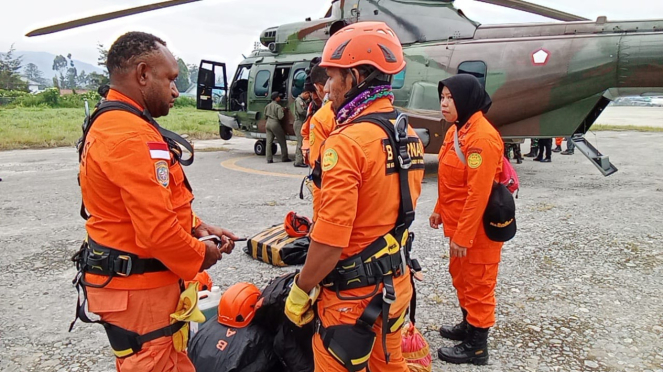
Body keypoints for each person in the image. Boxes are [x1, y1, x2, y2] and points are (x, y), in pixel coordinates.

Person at [75, 31, 238, 372]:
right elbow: (158, 232)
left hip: (147, 292)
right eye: (171, 79)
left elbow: (154, 204)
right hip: (141, 297)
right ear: (143, 74)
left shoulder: (118, 123)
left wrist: (199, 228)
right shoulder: (130, 135)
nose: (176, 91)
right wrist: (201, 255)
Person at [284, 21, 425, 372]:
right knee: (389, 365)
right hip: (395, 285)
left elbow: (331, 242)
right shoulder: (407, 135)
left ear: (356, 76)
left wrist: (301, 289)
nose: (328, 88)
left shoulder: (346, 143)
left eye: (333, 77)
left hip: (351, 299)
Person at [430, 73, 505, 365]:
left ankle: (477, 345)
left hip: (478, 230)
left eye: (451, 98)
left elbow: (479, 193)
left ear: (466, 99)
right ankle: (468, 324)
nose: (444, 104)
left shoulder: (482, 138)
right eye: (443, 97)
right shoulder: (456, 131)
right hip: (459, 225)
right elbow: (450, 179)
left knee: (478, 283)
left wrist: (464, 236)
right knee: (461, 277)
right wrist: (439, 207)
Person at [264, 92, 291, 164]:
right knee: (282, 141)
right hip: (275, 123)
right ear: (276, 98)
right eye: (279, 97)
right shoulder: (278, 107)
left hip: (268, 123)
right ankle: (284, 157)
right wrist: (283, 111)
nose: (280, 98)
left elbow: (265, 116)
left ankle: (269, 158)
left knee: (269, 142)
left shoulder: (268, 106)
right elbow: (280, 117)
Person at [293, 91, 311, 167]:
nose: (308, 97)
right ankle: (298, 161)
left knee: (301, 141)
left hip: (302, 122)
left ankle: (299, 160)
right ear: (305, 93)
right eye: (308, 95)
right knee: (300, 142)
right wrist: (309, 112)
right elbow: (301, 111)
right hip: (299, 122)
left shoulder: (303, 101)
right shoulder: (298, 100)